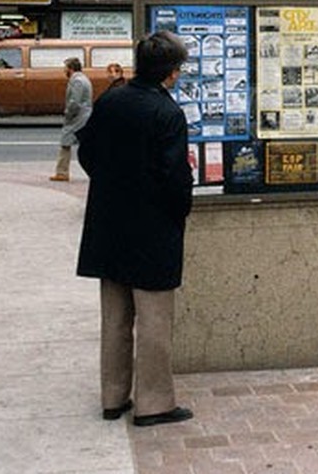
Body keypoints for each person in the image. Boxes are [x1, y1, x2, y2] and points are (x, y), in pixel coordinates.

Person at [75, 31, 195, 428]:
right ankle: (154, 403)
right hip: (151, 230)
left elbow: (87, 151)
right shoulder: (167, 113)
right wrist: (177, 214)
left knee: (115, 318)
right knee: (155, 321)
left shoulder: (112, 99)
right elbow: (176, 180)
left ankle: (113, 397)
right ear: (171, 72)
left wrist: (113, 184)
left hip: (108, 225)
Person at [51, 57, 93, 182]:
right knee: (85, 145)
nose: (64, 71)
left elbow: (74, 102)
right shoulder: (82, 79)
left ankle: (62, 172)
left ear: (71, 69)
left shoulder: (77, 81)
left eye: (65, 68)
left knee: (65, 143)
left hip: (78, 118)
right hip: (83, 116)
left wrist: (68, 114)